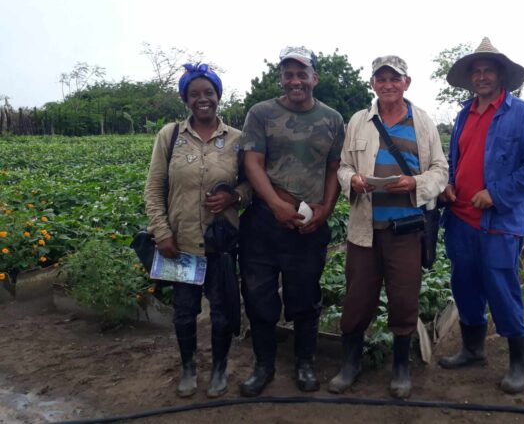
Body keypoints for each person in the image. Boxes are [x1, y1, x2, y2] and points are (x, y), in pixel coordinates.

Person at [330, 56, 448, 398]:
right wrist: (352, 179)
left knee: (404, 297)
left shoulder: (422, 122)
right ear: (373, 84)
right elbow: (344, 166)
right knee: (357, 298)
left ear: (406, 82)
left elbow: (440, 169)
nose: (388, 85)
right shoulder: (358, 121)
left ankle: (400, 366)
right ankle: (350, 363)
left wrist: (414, 183)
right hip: (364, 230)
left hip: (406, 230)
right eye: (381, 79)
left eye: (394, 79)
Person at [437, 38, 524, 394]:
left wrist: (496, 194)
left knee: (502, 289)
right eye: (477, 71)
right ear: (470, 77)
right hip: (461, 220)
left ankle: (519, 363)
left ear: (501, 75)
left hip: (499, 222)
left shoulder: (520, 113)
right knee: (465, 286)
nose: (482, 76)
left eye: (488, 70)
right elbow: (458, 160)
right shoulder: (463, 114)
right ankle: (473, 349)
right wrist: (450, 185)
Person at [238, 46, 345, 395]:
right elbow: (252, 162)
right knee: (258, 295)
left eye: (302, 73)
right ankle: (263, 365)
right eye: (289, 74)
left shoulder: (332, 119)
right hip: (263, 222)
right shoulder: (261, 113)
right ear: (281, 78)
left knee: (305, 296)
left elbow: (333, 168)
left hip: (307, 222)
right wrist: (274, 205)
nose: (295, 80)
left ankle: (304, 363)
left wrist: (326, 209)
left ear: (314, 78)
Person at [144, 63, 251, 398]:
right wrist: (162, 232)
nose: (202, 99)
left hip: (219, 244)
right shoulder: (170, 136)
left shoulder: (237, 140)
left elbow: (251, 186)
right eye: (195, 94)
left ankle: (219, 368)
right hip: (182, 243)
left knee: (221, 311)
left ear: (218, 96)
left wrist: (234, 195)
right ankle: (189, 367)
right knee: (185, 312)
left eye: (208, 92)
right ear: (186, 99)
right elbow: (154, 187)